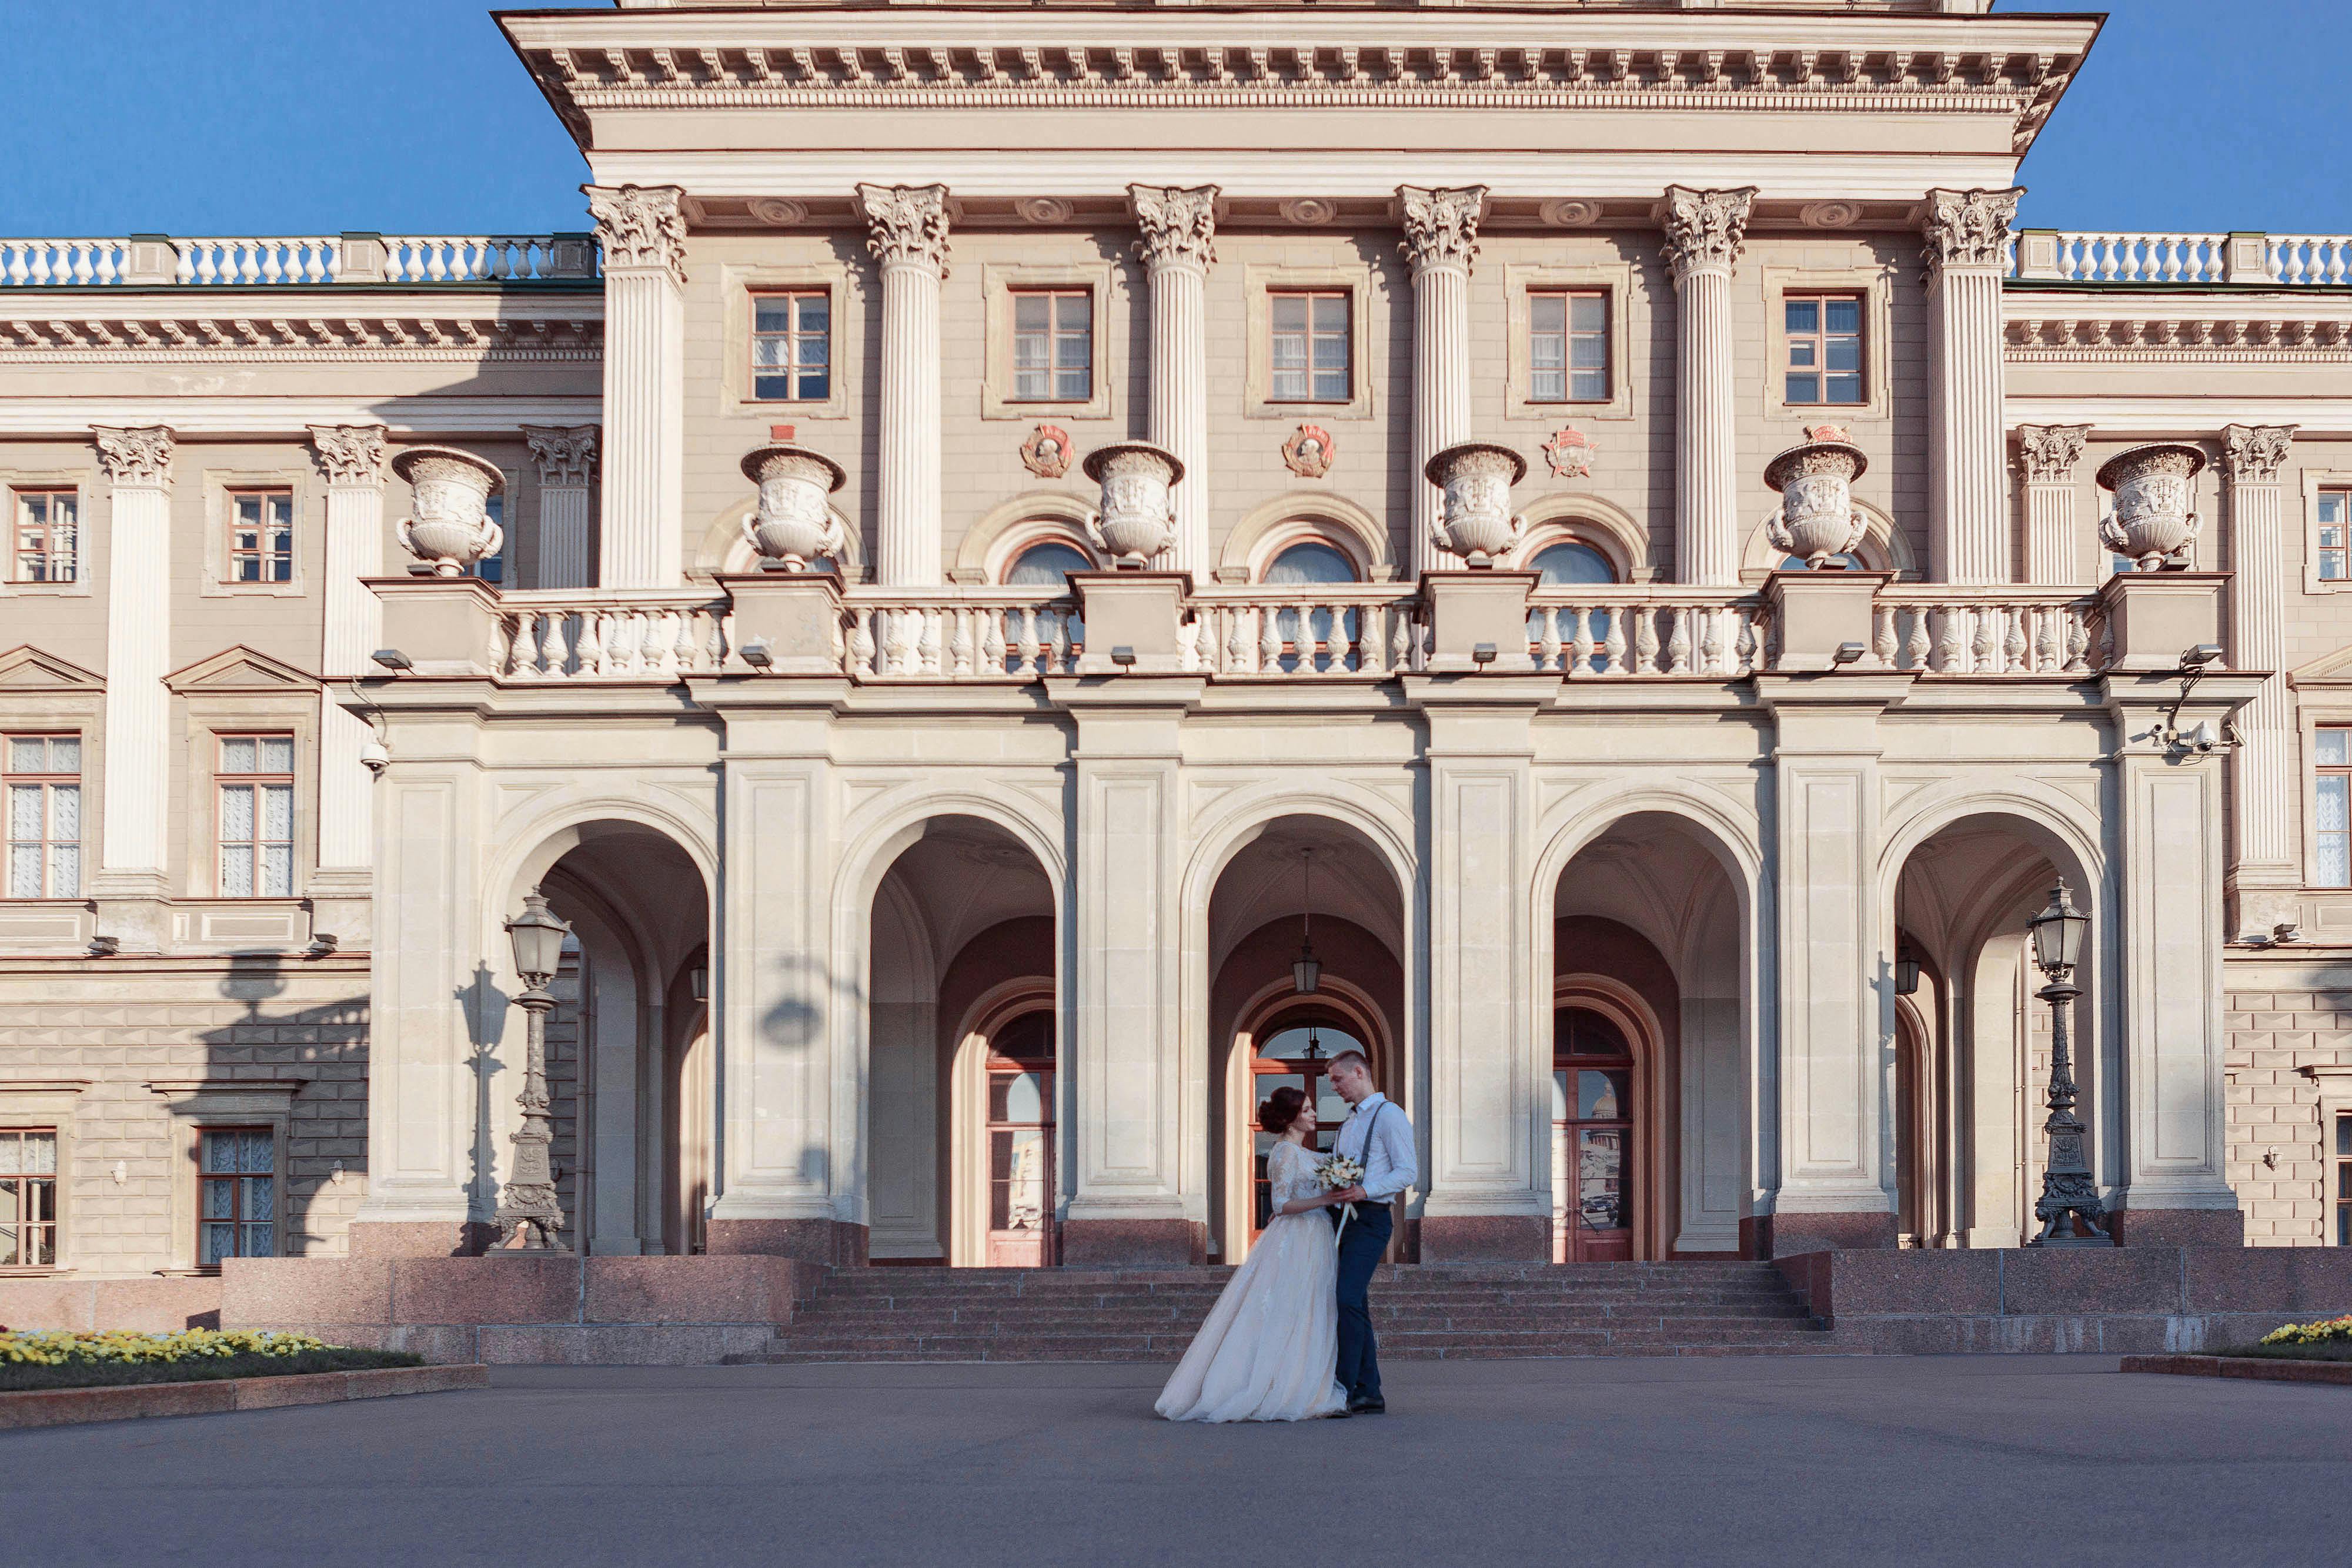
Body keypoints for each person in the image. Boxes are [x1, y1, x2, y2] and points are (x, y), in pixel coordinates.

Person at [1154, 1086, 1351, 1423]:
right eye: (1307, 1110)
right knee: (1287, 1307)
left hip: (1315, 1237)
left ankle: (1305, 1380)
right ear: (1291, 1119)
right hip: (1298, 1238)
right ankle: (1275, 1385)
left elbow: (1331, 1170)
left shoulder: (1307, 1154)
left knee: (1309, 1307)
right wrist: (1326, 1201)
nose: (1314, 1114)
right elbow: (1280, 1205)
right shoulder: (1285, 1153)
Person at [1321, 1049, 1416, 1416]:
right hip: (1342, 1218)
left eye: (1337, 1080)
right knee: (1354, 1302)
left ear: (1359, 1072)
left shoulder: (1390, 1115)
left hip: (1372, 1218)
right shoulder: (1347, 1123)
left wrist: (1364, 1190)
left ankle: (1343, 1389)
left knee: (1346, 1298)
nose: (1334, 1087)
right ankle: (1369, 1391)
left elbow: (1408, 1172)